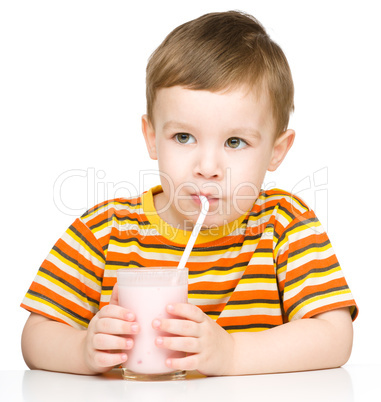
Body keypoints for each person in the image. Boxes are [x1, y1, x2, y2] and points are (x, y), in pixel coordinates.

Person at [21, 10, 358, 376]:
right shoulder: (104, 232)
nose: (207, 166)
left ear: (277, 150)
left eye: (235, 141)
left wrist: (231, 354)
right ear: (152, 137)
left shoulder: (284, 225)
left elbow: (335, 336)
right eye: (183, 137)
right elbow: (35, 337)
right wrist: (82, 350)